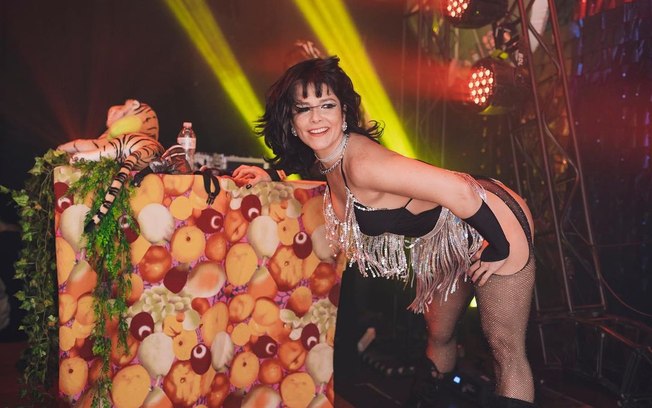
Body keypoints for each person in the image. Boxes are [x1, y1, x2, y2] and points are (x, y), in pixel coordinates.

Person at [233, 56, 536, 408]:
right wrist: (272, 176)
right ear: (291, 120)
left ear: (344, 112)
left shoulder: (364, 164)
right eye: (304, 109)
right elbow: (315, 174)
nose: (316, 118)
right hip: (449, 233)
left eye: (327, 105)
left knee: (504, 347)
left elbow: (463, 192)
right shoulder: (327, 156)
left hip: (493, 219)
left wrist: (499, 247)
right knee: (439, 335)